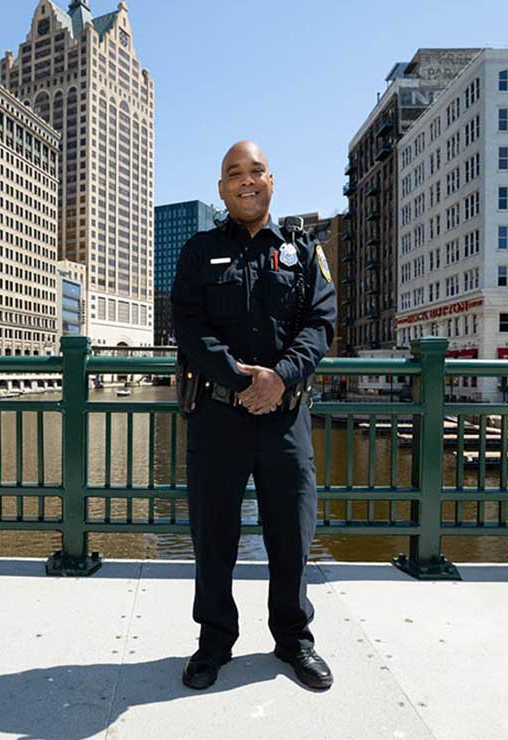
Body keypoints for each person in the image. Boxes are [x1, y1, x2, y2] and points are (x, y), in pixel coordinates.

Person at [170, 141, 337, 690]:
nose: (246, 180)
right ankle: (214, 642)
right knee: (213, 536)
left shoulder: (302, 249)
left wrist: (279, 377)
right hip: (219, 416)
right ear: (221, 189)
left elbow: (320, 323)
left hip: (285, 417)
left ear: (271, 180)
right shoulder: (198, 251)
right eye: (234, 173)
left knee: (291, 534)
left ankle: (294, 639)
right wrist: (244, 381)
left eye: (256, 171)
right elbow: (188, 325)